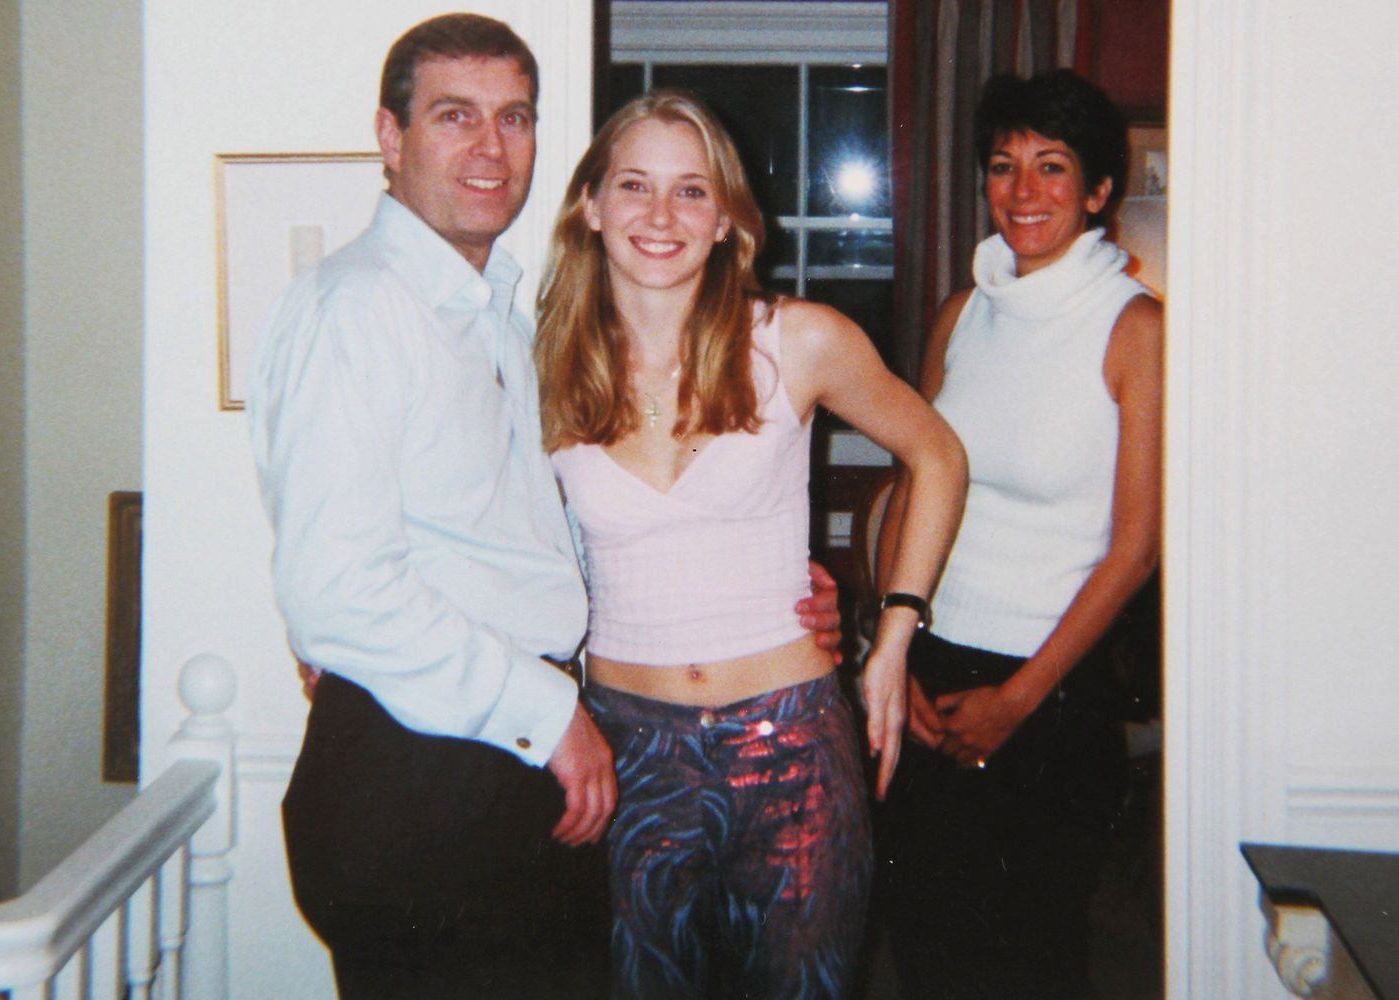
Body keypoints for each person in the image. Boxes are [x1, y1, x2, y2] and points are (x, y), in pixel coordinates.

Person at [246, 16, 842, 998]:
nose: (491, 147)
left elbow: (531, 537)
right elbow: (337, 590)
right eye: (455, 116)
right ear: (391, 138)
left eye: (514, 118)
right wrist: (549, 712)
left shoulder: (498, 317)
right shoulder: (358, 307)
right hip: (425, 774)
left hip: (503, 766)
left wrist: (769, 583)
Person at [535, 91, 968, 999]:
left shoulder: (798, 341)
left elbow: (937, 454)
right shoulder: (542, 365)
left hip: (794, 748)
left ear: (727, 219)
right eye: (635, 186)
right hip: (625, 750)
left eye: (692, 191)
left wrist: (893, 636)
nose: (661, 215)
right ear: (591, 205)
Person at [873, 69, 1164, 1000]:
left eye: (1052, 166)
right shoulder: (962, 314)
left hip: (1053, 689)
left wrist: (1021, 699)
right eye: (1003, 166)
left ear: (1098, 190)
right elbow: (912, 486)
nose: (1023, 190)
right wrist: (894, 652)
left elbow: (1137, 545)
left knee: (1031, 961)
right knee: (925, 945)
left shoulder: (1136, 329)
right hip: (930, 665)